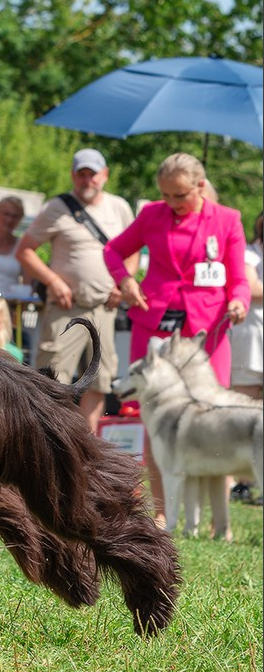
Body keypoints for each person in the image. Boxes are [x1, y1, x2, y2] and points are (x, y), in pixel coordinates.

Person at [103, 152, 250, 523]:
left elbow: (238, 280)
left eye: (179, 195)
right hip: (156, 323)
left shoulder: (228, 220)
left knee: (213, 416)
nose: (171, 203)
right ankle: (161, 512)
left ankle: (215, 519)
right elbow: (113, 250)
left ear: (200, 187)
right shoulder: (152, 213)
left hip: (206, 329)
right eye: (165, 194)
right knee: (155, 417)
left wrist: (238, 301)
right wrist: (126, 280)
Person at [15, 148, 136, 433]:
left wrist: (123, 281)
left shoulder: (119, 207)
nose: (87, 180)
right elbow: (25, 251)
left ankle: (88, 442)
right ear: (73, 176)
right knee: (52, 377)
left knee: (100, 379)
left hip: (104, 306)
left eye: (92, 174)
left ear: (104, 176)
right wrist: (53, 281)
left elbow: (133, 249)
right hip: (66, 306)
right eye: (81, 174)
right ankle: (50, 437)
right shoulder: (57, 207)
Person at [229, 211, 263, 502]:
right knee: (245, 416)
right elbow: (250, 287)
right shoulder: (251, 254)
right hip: (251, 342)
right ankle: (241, 482)